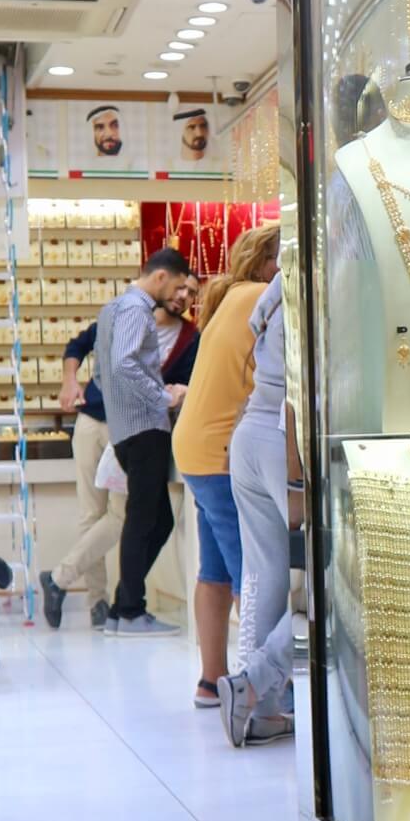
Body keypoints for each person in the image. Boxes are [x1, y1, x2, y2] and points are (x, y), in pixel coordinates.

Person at [39, 271, 200, 629]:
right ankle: (98, 602)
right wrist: (69, 381)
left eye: (191, 292)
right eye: (180, 287)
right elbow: (77, 346)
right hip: (92, 420)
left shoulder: (190, 338)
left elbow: (185, 384)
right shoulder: (126, 314)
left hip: (132, 430)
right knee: (92, 515)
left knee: (121, 516)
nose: (183, 296)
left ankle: (67, 582)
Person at [174, 225, 280, 708]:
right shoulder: (264, 297)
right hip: (222, 452)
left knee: (214, 569)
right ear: (264, 263)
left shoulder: (232, 296)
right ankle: (254, 693)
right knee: (250, 575)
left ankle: (211, 681)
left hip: (196, 448)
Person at [93, 247, 192, 637]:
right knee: (141, 520)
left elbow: (101, 373)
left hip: (123, 428)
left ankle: (122, 608)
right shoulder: (137, 310)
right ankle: (131, 612)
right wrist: (162, 397)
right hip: (145, 429)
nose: (179, 296)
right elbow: (123, 364)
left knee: (156, 518)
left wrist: (122, 404)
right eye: (178, 286)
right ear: (161, 276)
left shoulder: (111, 309)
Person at [218, 269, 298, 746]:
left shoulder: (281, 281)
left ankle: (259, 711)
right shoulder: (327, 272)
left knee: (265, 574)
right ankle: (254, 681)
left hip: (251, 431)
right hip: (288, 437)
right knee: (334, 578)